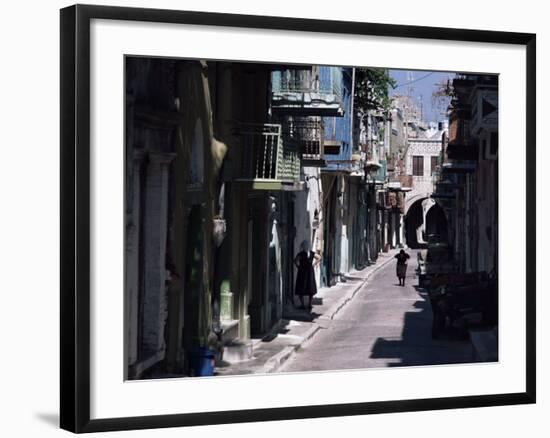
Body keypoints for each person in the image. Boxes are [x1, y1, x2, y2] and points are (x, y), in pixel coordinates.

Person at [294, 240, 321, 310]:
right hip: (310, 272)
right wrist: (314, 264)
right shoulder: (312, 253)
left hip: (302, 272)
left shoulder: (301, 254)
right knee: (310, 287)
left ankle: (302, 304)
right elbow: (319, 257)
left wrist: (298, 266)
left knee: (301, 288)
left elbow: (295, 260)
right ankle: (309, 304)